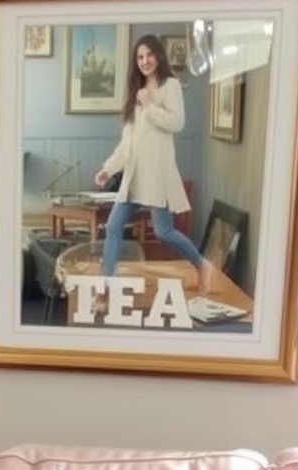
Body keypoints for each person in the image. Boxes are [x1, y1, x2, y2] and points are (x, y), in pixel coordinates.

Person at [94, 34, 213, 300]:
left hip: (156, 175)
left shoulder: (169, 85)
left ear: (158, 56)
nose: (145, 61)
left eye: (149, 55)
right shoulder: (135, 91)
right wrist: (108, 169)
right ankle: (104, 288)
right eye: (140, 57)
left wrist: (149, 106)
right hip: (134, 176)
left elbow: (177, 123)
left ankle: (202, 265)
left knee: (164, 231)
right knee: (113, 227)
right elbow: (128, 143)